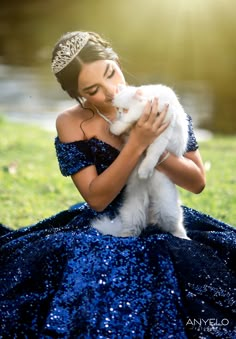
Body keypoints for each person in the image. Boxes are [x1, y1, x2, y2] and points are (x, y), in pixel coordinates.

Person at [0, 31, 235, 338]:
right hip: (107, 222)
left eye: (111, 73)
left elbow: (197, 182)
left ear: (116, 61)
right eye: (93, 89)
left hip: (163, 216)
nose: (111, 91)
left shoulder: (157, 101)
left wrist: (156, 148)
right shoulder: (71, 123)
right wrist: (135, 143)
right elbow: (96, 199)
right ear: (79, 95)